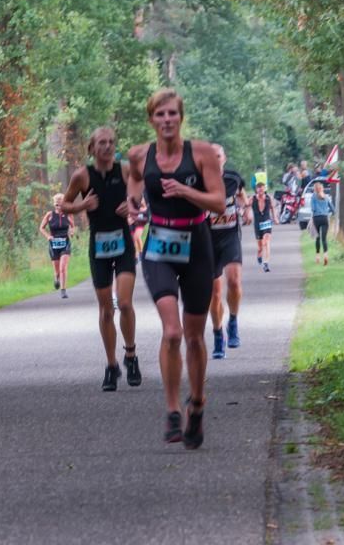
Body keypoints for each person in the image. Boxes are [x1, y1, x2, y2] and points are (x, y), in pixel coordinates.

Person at [127, 89, 225, 449]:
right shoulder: (140, 155)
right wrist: (133, 203)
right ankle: (171, 410)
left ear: (181, 117)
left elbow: (218, 202)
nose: (166, 120)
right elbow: (135, 180)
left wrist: (186, 191)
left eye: (172, 114)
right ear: (151, 119)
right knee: (172, 332)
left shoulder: (201, 154)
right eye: (160, 115)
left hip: (197, 244)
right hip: (159, 247)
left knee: (195, 337)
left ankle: (196, 405)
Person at [62, 127, 142, 391]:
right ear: (92, 148)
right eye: (101, 143)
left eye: (111, 142)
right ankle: (111, 365)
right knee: (106, 309)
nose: (107, 147)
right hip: (98, 248)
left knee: (126, 303)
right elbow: (64, 205)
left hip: (123, 245)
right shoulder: (82, 176)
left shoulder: (126, 170)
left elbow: (140, 194)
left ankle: (130, 356)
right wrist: (82, 206)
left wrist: (132, 205)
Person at [209, 144, 251, 359]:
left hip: (230, 237)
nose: (215, 160)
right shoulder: (198, 181)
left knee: (234, 282)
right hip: (208, 240)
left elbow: (242, 194)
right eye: (211, 157)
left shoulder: (233, 177)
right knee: (214, 294)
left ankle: (233, 321)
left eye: (218, 156)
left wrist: (246, 209)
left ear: (224, 158)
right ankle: (218, 334)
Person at [39, 193, 74, 299]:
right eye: (56, 205)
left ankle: (63, 290)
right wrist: (48, 236)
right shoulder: (49, 215)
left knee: (63, 267)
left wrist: (71, 232)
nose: (58, 207)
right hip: (53, 244)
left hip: (65, 243)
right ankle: (56, 278)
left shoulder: (68, 214)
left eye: (60, 204)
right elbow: (41, 228)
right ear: (54, 205)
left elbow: (72, 226)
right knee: (57, 270)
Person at [249, 182, 278, 272]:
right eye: (259, 189)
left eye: (262, 188)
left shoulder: (269, 198)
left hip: (267, 222)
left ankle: (266, 263)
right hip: (257, 223)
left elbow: (273, 208)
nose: (261, 190)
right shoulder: (252, 199)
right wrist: (246, 215)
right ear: (256, 190)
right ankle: (259, 254)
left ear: (265, 189)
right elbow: (246, 207)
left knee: (266, 241)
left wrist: (275, 218)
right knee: (260, 247)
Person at [311, 181, 334, 266]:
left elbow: (313, 209)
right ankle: (325, 256)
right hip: (325, 218)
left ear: (315, 189)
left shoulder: (313, 197)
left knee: (317, 238)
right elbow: (332, 209)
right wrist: (327, 212)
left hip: (316, 218)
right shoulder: (326, 197)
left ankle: (317, 257)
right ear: (322, 189)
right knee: (324, 239)